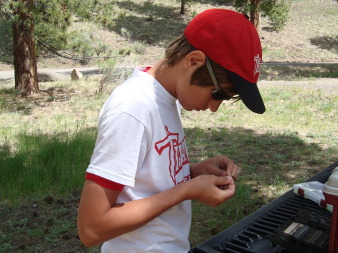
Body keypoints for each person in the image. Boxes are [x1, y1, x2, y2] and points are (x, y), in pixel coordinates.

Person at [77, 8, 265, 252]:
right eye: (218, 93)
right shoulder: (133, 109)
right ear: (194, 61)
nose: (214, 107)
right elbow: (92, 228)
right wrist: (186, 190)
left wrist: (193, 172)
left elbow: (143, 181)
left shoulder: (165, 98)